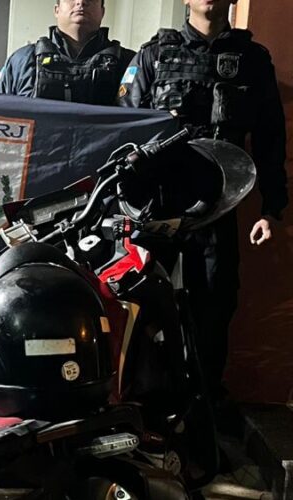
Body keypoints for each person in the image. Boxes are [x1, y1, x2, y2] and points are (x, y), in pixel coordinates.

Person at [118, 0, 288, 400]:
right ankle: (137, 396)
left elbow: (270, 139)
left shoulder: (252, 59)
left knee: (214, 304)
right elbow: (123, 131)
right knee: (139, 302)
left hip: (218, 204)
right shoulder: (153, 55)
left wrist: (271, 208)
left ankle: (204, 400)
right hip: (158, 205)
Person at [0, 0, 134, 105]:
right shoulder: (22, 60)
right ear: (57, 10)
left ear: (102, 11)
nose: (80, 2)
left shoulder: (130, 64)